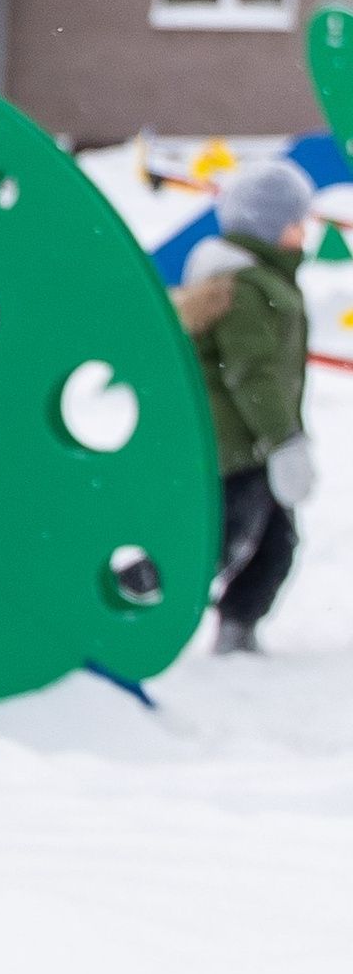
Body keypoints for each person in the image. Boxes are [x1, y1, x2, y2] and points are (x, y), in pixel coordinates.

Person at [180, 154, 318, 656]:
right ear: (271, 228)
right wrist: (282, 439)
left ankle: (237, 628)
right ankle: (136, 590)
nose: (305, 232)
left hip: (254, 442)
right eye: (296, 222)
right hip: (239, 445)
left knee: (276, 544)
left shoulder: (260, 280)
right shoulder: (246, 288)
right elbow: (251, 373)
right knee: (218, 544)